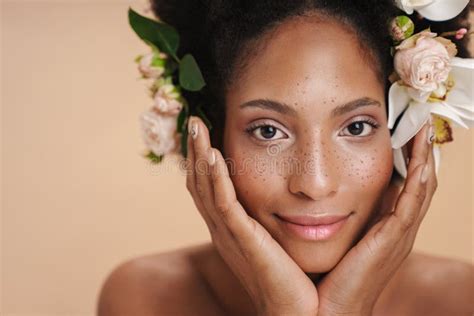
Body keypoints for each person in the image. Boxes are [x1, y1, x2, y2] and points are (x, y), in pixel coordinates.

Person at [98, 1, 474, 315]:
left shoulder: (460, 300)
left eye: (356, 128)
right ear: (212, 137)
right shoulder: (145, 298)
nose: (314, 183)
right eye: (268, 131)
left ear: (405, 134)